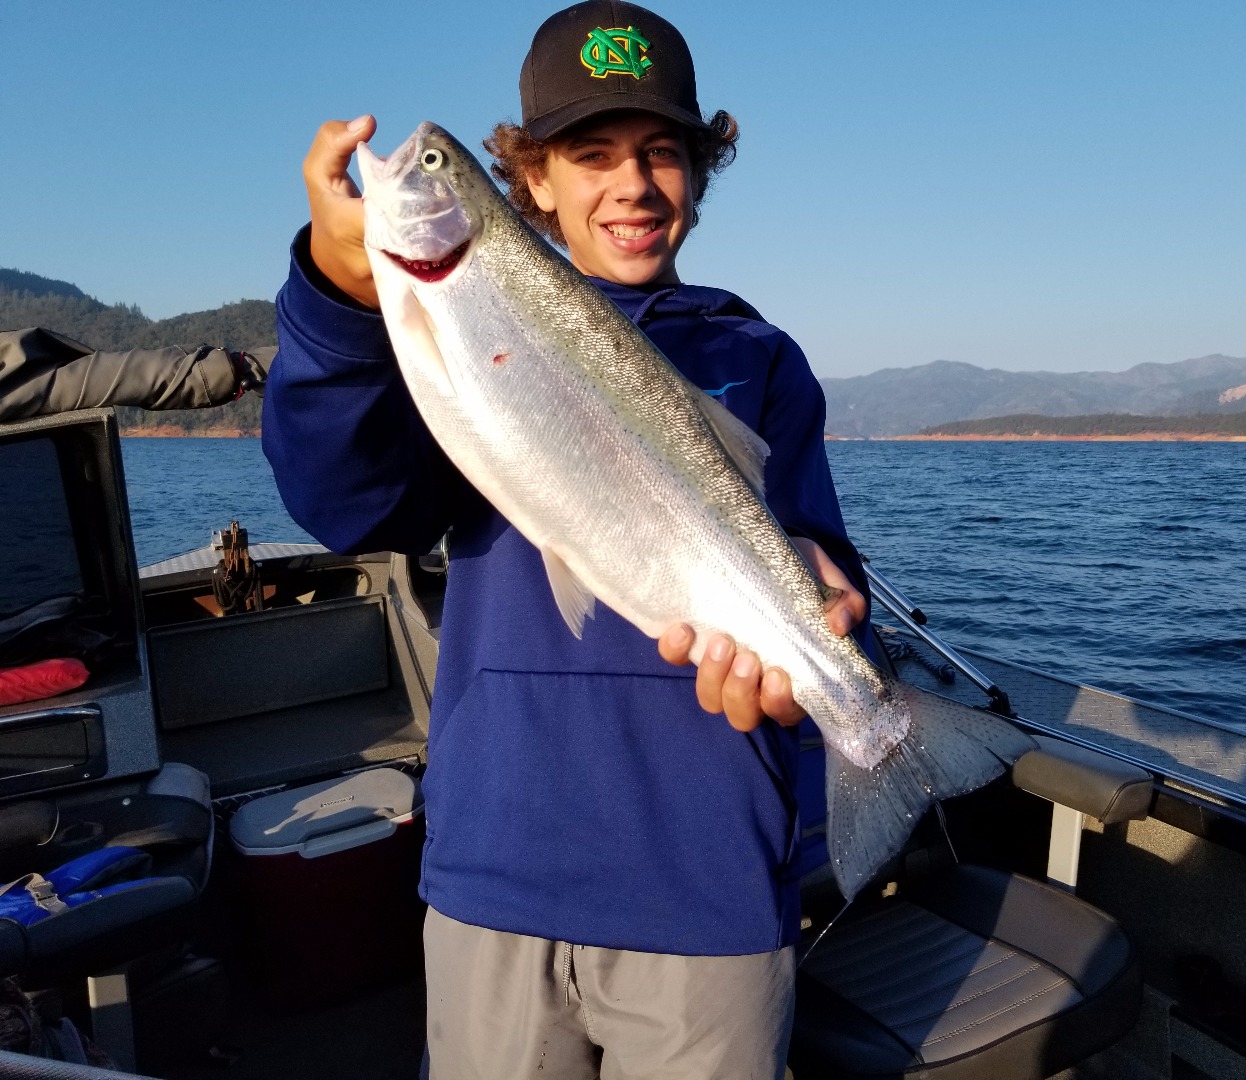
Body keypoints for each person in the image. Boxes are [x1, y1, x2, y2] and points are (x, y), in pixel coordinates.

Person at [262, 3, 873, 1076]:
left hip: (709, 884)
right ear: (531, 181)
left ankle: (892, 753)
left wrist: (826, 609)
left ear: (697, 173)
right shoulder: (451, 314)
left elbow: (811, 540)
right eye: (591, 156)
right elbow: (350, 502)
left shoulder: (757, 355)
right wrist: (334, 286)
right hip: (495, 868)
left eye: (663, 154)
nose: (631, 185)